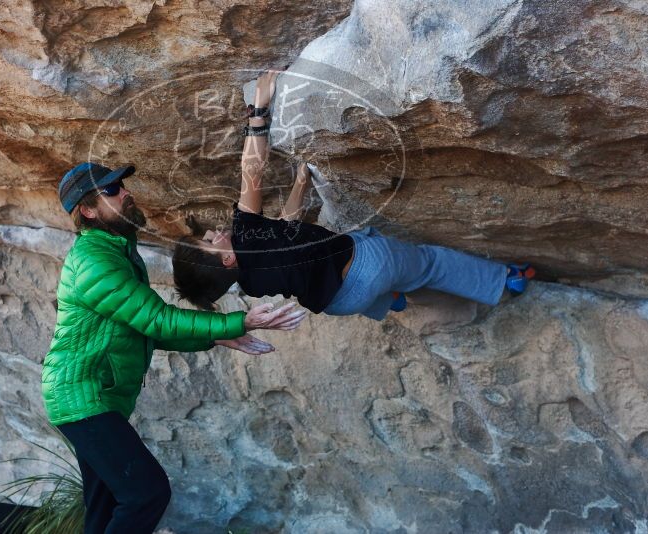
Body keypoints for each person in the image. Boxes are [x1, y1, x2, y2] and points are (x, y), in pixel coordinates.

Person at [41, 161, 307, 534]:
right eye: (112, 189)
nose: (125, 191)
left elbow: (147, 330)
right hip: (80, 398)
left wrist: (215, 335)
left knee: (104, 508)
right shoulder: (94, 261)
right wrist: (239, 321)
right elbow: (157, 319)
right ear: (87, 210)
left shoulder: (116, 251)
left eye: (120, 184)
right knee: (146, 494)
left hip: (94, 398)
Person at [172, 69, 536, 320]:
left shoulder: (251, 282)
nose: (215, 232)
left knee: (377, 282)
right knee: (428, 263)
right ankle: (505, 280)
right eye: (210, 241)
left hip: (342, 303)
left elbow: (287, 229)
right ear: (226, 261)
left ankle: (389, 303)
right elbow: (252, 170)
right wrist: (259, 111)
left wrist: (301, 184)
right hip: (368, 267)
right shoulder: (246, 234)